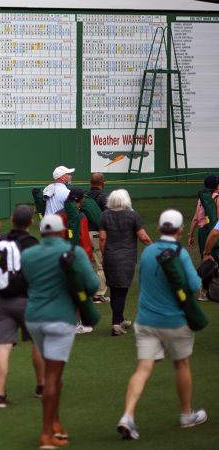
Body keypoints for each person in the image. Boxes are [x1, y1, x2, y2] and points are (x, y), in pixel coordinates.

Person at [116, 209, 207, 440]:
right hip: (175, 321)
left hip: (146, 320)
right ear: (179, 229)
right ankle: (186, 415)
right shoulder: (181, 254)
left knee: (143, 368)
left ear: (160, 228)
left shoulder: (147, 253)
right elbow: (195, 285)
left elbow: (142, 280)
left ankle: (128, 415)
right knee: (182, 365)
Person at [21, 215, 99, 449]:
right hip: (60, 318)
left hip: (33, 317)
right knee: (54, 376)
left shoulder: (28, 254)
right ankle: (47, 434)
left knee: (53, 373)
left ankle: (55, 423)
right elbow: (93, 285)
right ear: (62, 231)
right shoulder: (72, 252)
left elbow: (26, 281)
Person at [0, 205, 45, 409]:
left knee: (4, 346)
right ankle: (41, 386)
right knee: (38, 343)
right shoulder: (31, 244)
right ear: (31, 222)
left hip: (2, 300)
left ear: (12, 219)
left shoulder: (1, 240)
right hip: (27, 300)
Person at [100, 189, 152, 336]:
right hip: (126, 258)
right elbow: (143, 237)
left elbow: (102, 238)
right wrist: (155, 247)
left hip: (110, 257)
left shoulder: (104, 215)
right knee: (121, 291)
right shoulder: (132, 215)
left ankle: (120, 319)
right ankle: (116, 324)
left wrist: (104, 255)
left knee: (114, 290)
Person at [85, 172, 109, 304]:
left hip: (84, 234)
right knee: (100, 265)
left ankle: (87, 292)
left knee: (88, 264)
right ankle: (98, 295)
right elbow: (107, 216)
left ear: (90, 183)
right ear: (103, 183)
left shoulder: (84, 196)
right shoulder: (104, 197)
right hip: (97, 234)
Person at [187, 174, 219, 261]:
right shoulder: (217, 197)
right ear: (216, 186)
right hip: (214, 231)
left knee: (206, 260)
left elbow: (195, 219)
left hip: (202, 233)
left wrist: (190, 235)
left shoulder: (202, 199)